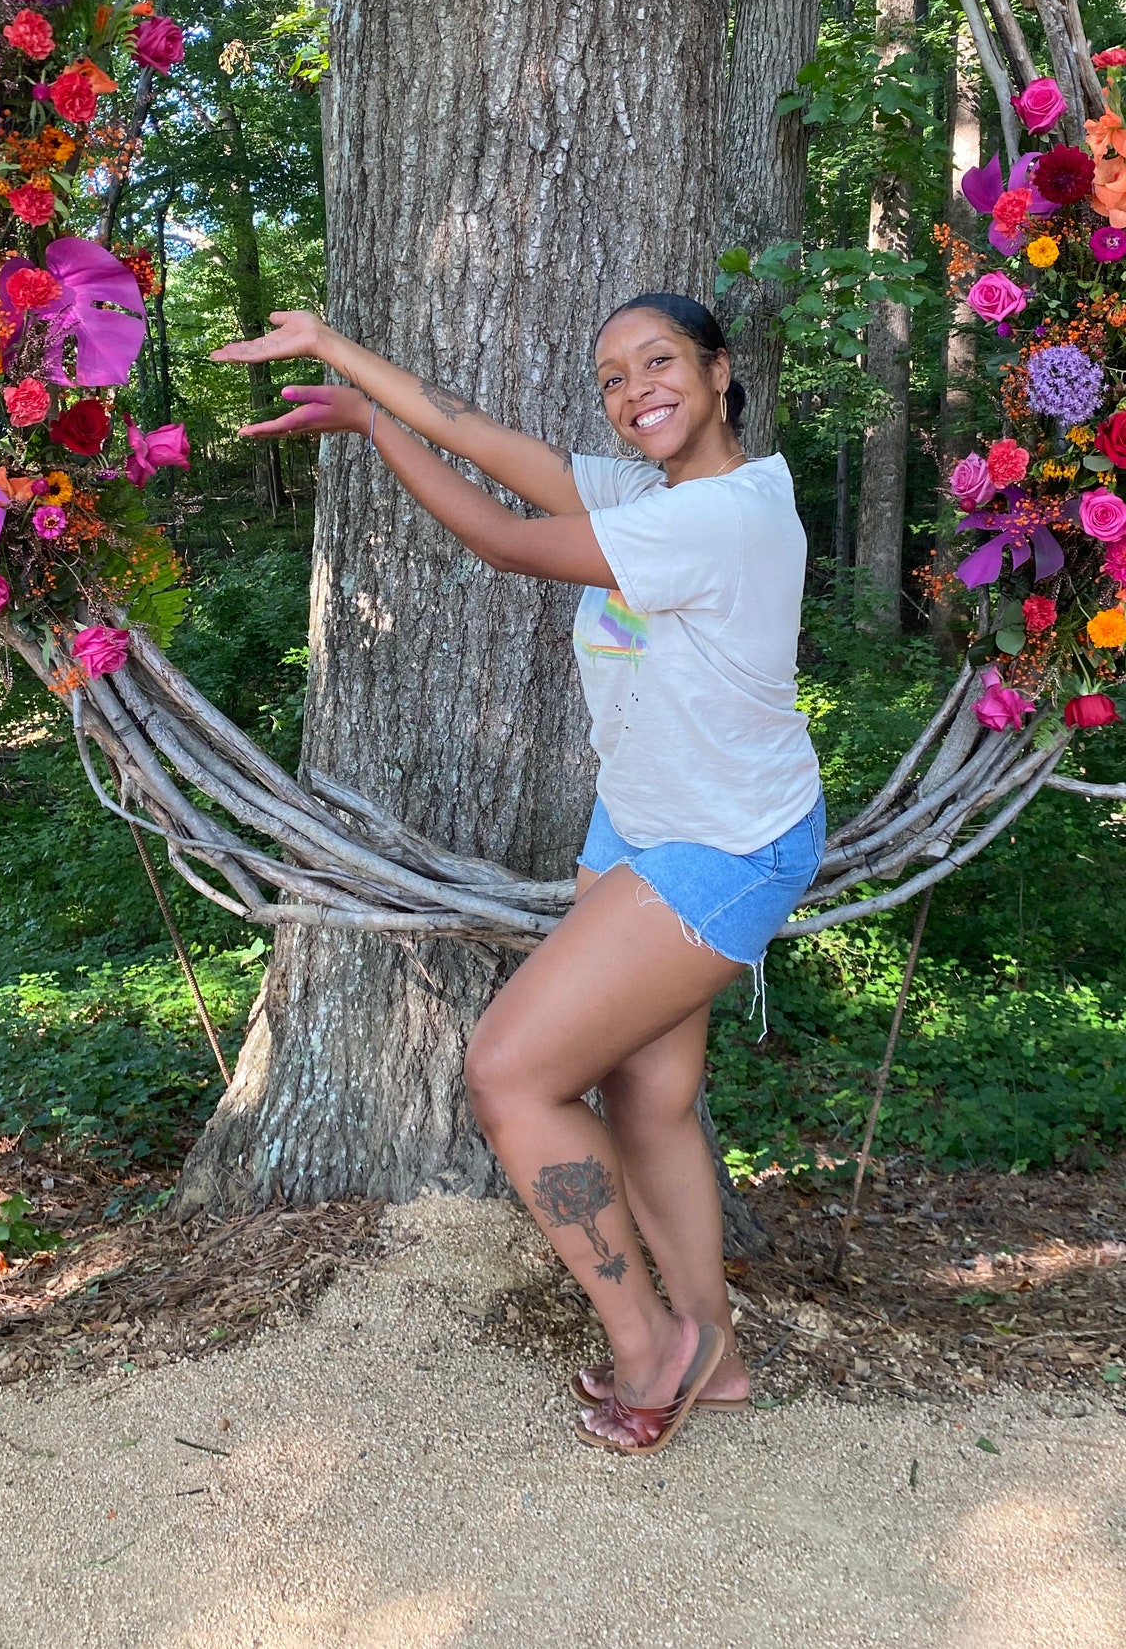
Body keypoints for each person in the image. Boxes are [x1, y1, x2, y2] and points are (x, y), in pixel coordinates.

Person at [211, 293, 823, 1455]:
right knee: (647, 1097)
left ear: (718, 370)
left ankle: (652, 1343)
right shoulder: (657, 495)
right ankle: (720, 1354)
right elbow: (501, 446)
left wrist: (375, 434)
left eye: (659, 363)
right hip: (642, 820)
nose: (635, 388)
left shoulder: (724, 519)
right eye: (610, 377)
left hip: (727, 842)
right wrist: (346, 361)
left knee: (509, 1075)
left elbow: (499, 535)